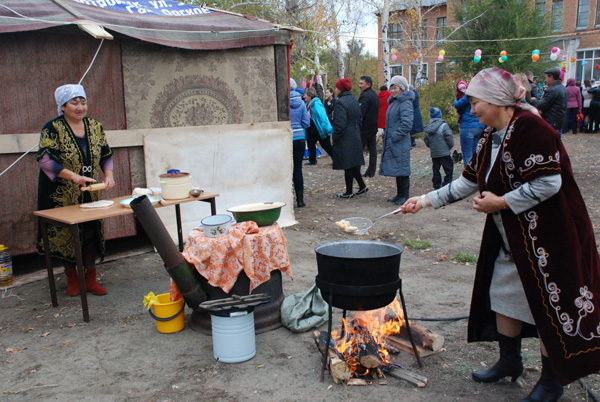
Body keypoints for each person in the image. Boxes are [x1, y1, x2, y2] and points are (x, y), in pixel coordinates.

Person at [401, 68, 600, 402]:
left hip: (550, 236)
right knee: (504, 290)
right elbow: (469, 181)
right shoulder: (491, 133)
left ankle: (552, 382)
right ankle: (510, 362)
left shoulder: (533, 129)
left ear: (497, 100)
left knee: (549, 304)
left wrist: (502, 201)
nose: (472, 108)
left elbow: (550, 183)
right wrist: (423, 201)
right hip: (514, 237)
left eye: (476, 101)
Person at [37, 84, 115, 297]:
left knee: (90, 231)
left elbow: (106, 154)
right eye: (74, 102)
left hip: (89, 190)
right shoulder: (52, 128)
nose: (80, 107)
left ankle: (90, 279)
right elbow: (45, 160)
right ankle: (72, 279)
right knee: (66, 234)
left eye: (83, 102)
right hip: (59, 192)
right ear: (62, 106)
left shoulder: (95, 126)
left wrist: (108, 175)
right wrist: (74, 176)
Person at [380, 75, 414, 205]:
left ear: (402, 88)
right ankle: (399, 194)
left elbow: (406, 124)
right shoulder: (395, 102)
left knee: (403, 169)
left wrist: (395, 136)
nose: (393, 90)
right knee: (398, 169)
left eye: (395, 88)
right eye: (392, 88)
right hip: (394, 141)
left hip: (400, 142)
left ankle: (404, 195)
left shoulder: (405, 103)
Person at [331, 78, 367, 198]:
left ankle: (349, 192)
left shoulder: (340, 102)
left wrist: (335, 136)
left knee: (348, 165)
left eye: (337, 88)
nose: (335, 90)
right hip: (355, 135)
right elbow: (360, 118)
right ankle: (362, 186)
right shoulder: (354, 99)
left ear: (341, 89)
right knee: (353, 164)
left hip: (345, 137)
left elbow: (340, 123)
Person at [290, 78, 311, 208]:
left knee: (286, 170)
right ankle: (300, 200)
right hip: (300, 139)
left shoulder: (282, 103)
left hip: (286, 139)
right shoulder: (302, 103)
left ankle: (286, 198)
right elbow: (306, 122)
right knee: (298, 170)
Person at [454, 80, 485, 167]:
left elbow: (457, 105)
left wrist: (455, 100)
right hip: (479, 125)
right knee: (475, 152)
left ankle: (469, 176)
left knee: (467, 154)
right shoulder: (480, 95)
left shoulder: (467, 96)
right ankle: (477, 173)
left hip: (467, 126)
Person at [423, 107, 454, 189]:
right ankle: (447, 183)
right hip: (444, 152)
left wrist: (431, 146)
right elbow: (449, 137)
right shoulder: (444, 125)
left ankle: (436, 184)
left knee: (436, 168)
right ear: (440, 115)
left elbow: (426, 139)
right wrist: (449, 146)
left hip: (434, 152)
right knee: (449, 168)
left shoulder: (427, 127)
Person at [532, 67, 567, 133]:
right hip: (558, 121)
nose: (545, 80)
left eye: (546, 78)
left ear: (551, 77)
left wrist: (534, 100)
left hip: (552, 122)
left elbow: (542, 105)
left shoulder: (552, 90)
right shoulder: (562, 87)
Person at [304, 85, 332, 165]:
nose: (304, 96)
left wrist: (324, 128)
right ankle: (312, 160)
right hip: (311, 127)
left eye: (305, 94)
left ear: (309, 95)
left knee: (326, 145)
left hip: (319, 128)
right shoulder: (307, 104)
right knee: (310, 144)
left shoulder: (316, 104)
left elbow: (322, 116)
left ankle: (336, 159)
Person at [358, 75, 379, 178]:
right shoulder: (374, 94)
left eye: (362, 83)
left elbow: (361, 112)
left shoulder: (365, 96)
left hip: (364, 129)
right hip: (372, 127)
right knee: (372, 151)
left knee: (359, 150)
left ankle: (356, 171)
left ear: (368, 84)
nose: (359, 85)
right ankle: (371, 171)